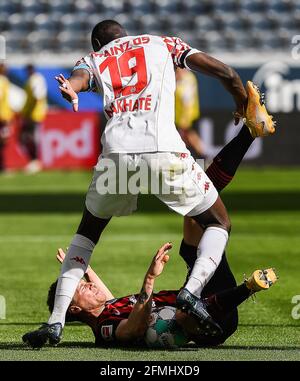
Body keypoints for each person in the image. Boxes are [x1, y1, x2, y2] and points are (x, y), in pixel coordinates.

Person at [22, 20, 275, 347]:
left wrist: (73, 87)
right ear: (125, 34)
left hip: (116, 155)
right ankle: (191, 292)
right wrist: (242, 100)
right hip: (162, 149)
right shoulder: (163, 43)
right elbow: (225, 72)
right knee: (217, 222)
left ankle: (56, 322)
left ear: (98, 43)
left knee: (86, 235)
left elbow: (80, 78)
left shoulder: (97, 57)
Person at [23, 243, 277, 349]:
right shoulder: (105, 329)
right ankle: (248, 288)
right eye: (82, 289)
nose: (90, 286)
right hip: (208, 325)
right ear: (75, 310)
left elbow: (104, 293)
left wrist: (82, 268)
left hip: (206, 298)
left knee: (195, 237)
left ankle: (210, 192)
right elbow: (132, 328)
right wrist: (150, 278)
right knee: (173, 315)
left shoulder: (110, 307)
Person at [20, 64, 47, 173]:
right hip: (32, 114)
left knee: (31, 138)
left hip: (34, 114)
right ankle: (34, 161)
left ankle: (35, 161)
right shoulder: (35, 79)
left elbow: (37, 97)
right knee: (28, 138)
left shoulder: (35, 80)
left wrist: (29, 113)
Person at [175, 68, 204, 158]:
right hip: (179, 118)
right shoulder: (179, 79)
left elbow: (188, 102)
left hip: (188, 117)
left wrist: (185, 119)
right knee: (185, 141)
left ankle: (204, 160)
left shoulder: (187, 80)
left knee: (191, 139)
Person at [0, 63, 13, 172]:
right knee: (3, 141)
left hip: (4, 116)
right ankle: (2, 166)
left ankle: (3, 166)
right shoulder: (2, 81)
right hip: (2, 117)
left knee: (3, 142)